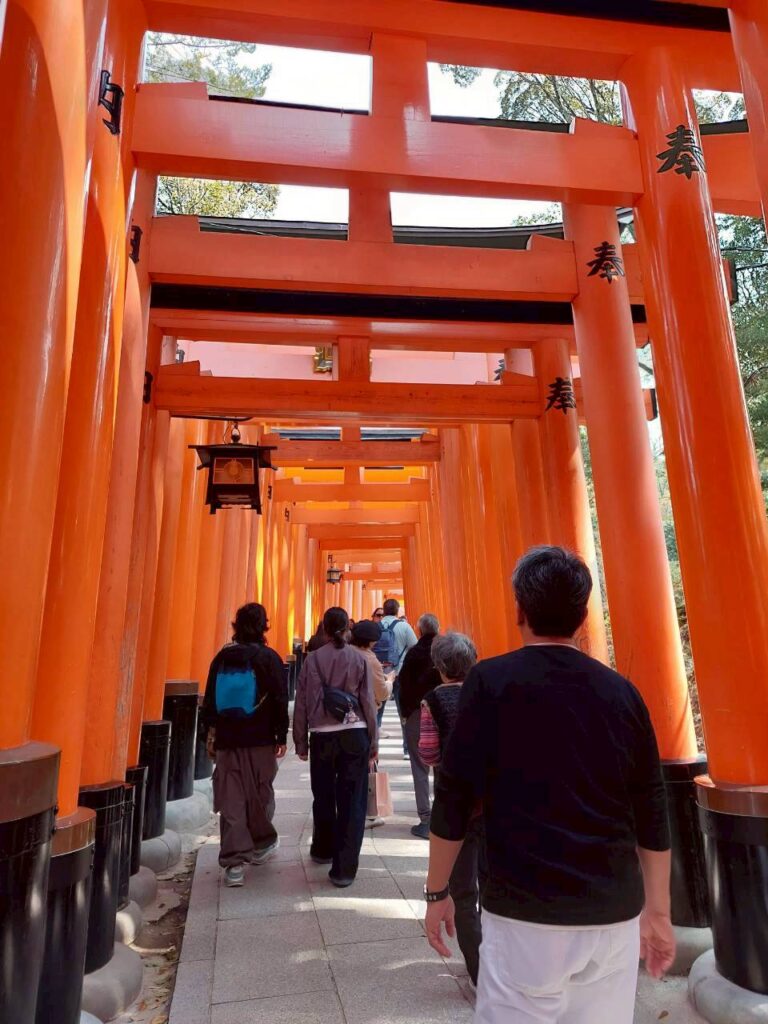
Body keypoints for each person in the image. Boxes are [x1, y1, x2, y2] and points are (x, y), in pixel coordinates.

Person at [424, 546, 675, 1024]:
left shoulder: (490, 683)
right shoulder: (622, 693)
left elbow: (454, 797)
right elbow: (651, 807)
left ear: (520, 609)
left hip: (526, 912)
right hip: (612, 914)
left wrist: (437, 893)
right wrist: (658, 913)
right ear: (583, 616)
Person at [201, 602, 288, 887]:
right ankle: (261, 844)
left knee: (231, 797)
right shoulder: (269, 658)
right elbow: (279, 699)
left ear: (236, 625)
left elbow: (210, 700)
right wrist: (281, 736)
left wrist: (209, 733)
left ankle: (234, 864)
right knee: (260, 793)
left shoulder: (222, 658)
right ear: (264, 626)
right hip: (260, 739)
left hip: (228, 739)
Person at [293, 607, 379, 887]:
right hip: (355, 734)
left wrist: (300, 740)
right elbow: (368, 701)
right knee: (353, 801)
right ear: (347, 629)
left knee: (323, 795)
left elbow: (302, 701)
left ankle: (323, 849)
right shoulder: (359, 658)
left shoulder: (312, 660)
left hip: (322, 735)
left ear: (326, 630)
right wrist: (373, 740)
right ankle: (344, 869)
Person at [418, 631, 484, 986]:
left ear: (439, 666)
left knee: (464, 889)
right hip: (493, 802)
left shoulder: (433, 700)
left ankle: (478, 970)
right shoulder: (487, 692)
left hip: (456, 804)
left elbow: (429, 753)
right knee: (494, 884)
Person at [398, 612, 441, 839]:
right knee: (442, 765)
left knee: (419, 765)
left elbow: (403, 685)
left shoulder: (414, 654)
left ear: (420, 630)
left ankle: (425, 817)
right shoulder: (444, 651)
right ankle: (442, 814)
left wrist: (405, 713)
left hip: (417, 712)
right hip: (443, 711)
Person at [378, 598, 417, 756]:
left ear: (384, 610)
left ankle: (373, 747)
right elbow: (414, 646)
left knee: (377, 711)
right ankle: (407, 748)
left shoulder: (377, 626)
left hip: (380, 673)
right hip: (399, 672)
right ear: (397, 610)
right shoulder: (404, 626)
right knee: (403, 712)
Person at [350, 619, 392, 727]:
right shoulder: (371, 660)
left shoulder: (344, 652)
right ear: (371, 641)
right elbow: (382, 694)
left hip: (341, 708)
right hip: (363, 713)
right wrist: (389, 681)